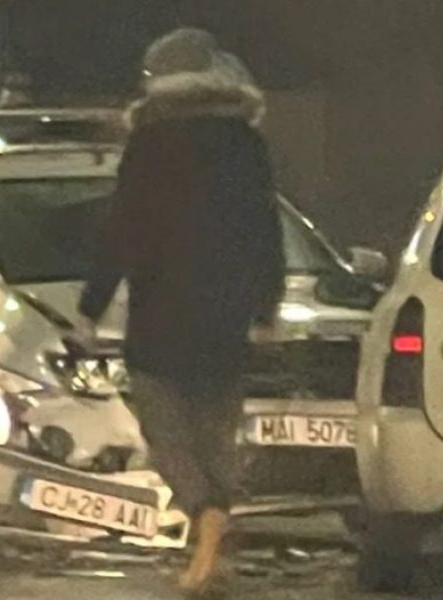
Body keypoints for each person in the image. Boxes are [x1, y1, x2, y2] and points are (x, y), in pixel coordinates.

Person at [73, 28, 285, 597]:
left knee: (165, 429)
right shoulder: (246, 144)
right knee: (216, 434)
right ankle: (211, 548)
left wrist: (91, 307)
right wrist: (266, 306)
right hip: (226, 318)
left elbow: (122, 230)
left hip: (160, 313)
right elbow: (264, 229)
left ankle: (206, 519)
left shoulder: (150, 145)